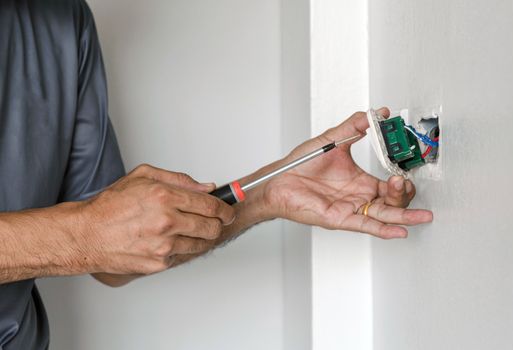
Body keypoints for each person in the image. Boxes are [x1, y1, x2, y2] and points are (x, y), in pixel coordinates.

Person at [0, 0, 433, 349]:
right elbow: (93, 234)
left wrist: (268, 192)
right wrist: (86, 234)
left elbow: (116, 251)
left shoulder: (64, 20)